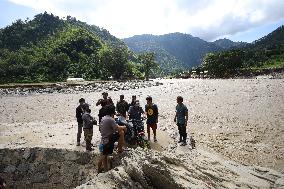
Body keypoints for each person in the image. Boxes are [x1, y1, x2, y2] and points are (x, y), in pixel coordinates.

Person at [98, 105, 127, 173]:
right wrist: (124, 127)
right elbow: (117, 128)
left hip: (104, 139)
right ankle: (120, 149)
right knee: (121, 132)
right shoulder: (110, 119)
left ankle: (104, 169)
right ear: (112, 112)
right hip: (108, 139)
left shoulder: (103, 118)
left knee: (104, 156)